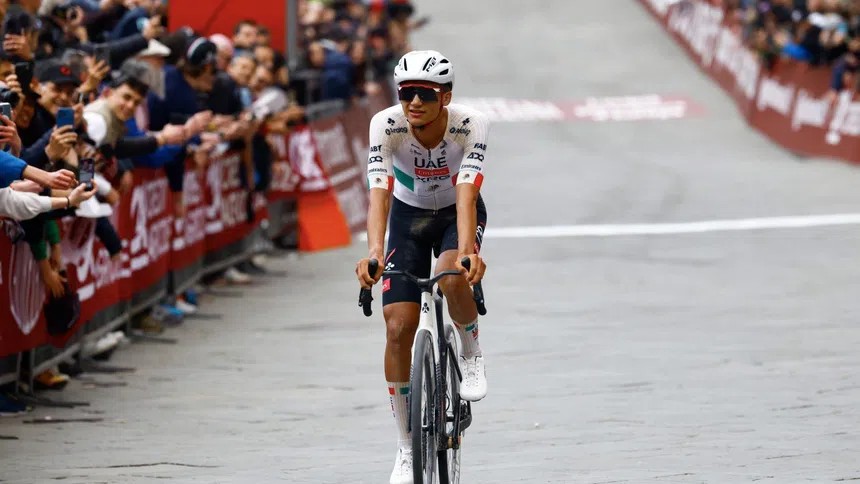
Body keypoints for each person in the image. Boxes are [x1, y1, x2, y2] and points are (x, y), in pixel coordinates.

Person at [354, 49, 489, 484]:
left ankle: (470, 352)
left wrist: (469, 250)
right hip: (407, 218)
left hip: (455, 213)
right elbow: (379, 190)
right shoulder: (386, 125)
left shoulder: (469, 125)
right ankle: (406, 445)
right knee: (397, 328)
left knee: (452, 274)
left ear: (445, 97)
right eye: (406, 92)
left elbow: (467, 192)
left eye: (424, 94)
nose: (413, 102)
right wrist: (375, 251)